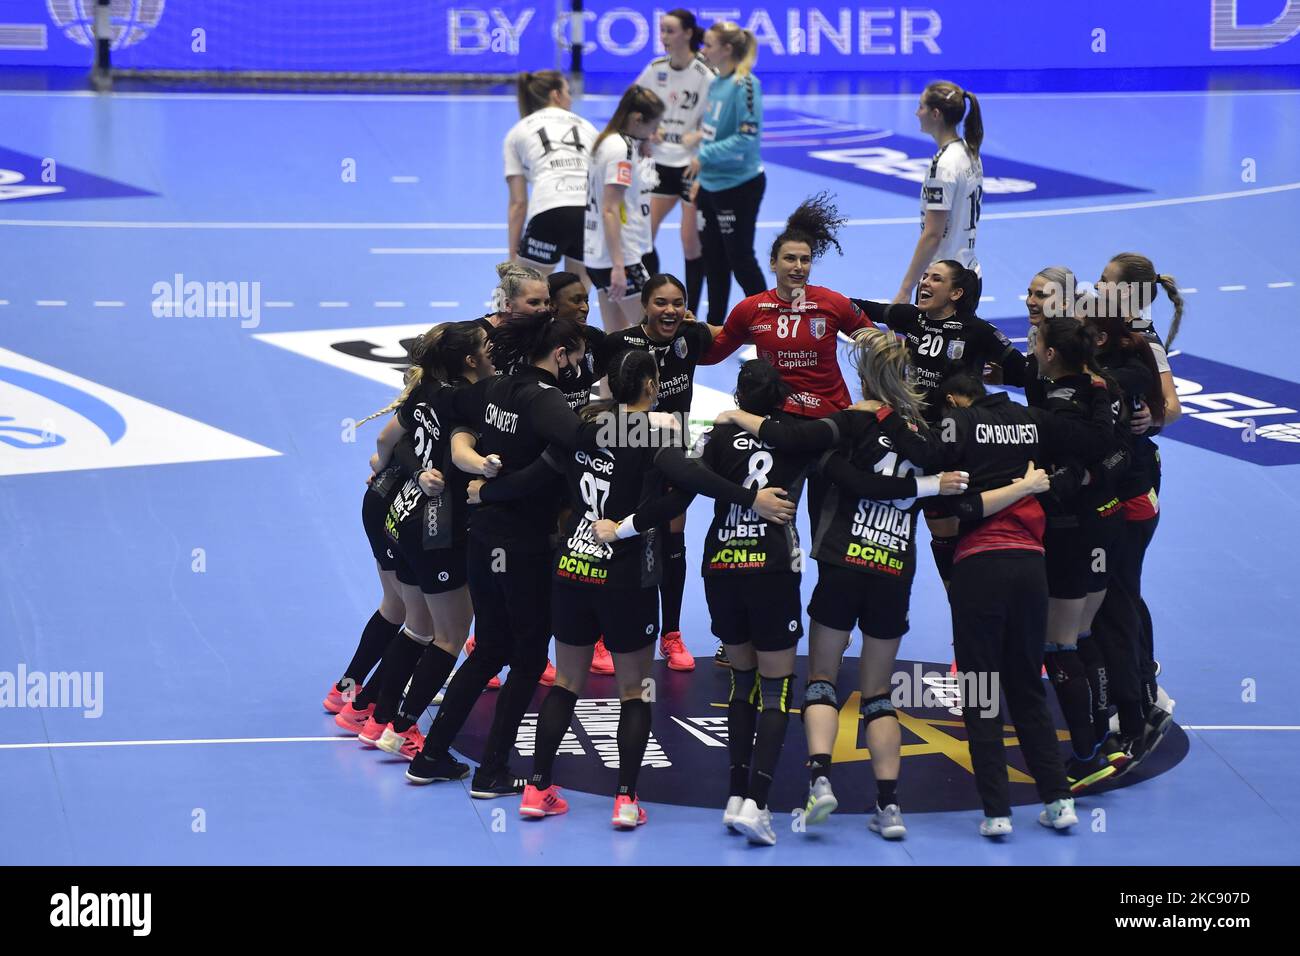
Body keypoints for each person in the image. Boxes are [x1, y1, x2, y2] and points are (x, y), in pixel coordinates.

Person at [480, 350, 794, 828]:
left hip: (573, 566)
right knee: (633, 690)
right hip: (626, 573)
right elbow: (691, 480)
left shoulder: (580, 429)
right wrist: (751, 497)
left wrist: (483, 492)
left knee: (567, 682)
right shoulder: (655, 433)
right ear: (649, 385)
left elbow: (530, 480)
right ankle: (626, 799)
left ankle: (538, 788)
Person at [716, 333, 969, 841]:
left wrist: (741, 417)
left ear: (865, 376)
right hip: (895, 568)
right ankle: (890, 807)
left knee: (822, 681)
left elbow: (793, 442)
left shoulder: (848, 422)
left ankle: (820, 779)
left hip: (842, 563)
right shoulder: (923, 435)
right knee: (878, 693)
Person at [404, 313, 650, 796]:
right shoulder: (544, 399)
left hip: (482, 540)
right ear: (559, 355)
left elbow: (441, 399)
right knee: (530, 657)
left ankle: (430, 755)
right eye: (576, 356)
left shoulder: (494, 389)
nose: (579, 365)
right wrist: (648, 426)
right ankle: (492, 769)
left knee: (489, 649)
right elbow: (582, 441)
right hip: (522, 545)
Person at [882, 371, 1115, 835]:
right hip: (1031, 567)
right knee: (1026, 684)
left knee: (980, 687)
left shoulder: (958, 424)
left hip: (979, 567)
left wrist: (885, 411)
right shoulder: (1034, 420)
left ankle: (997, 812)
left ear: (954, 400)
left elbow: (939, 477)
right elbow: (1094, 442)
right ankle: (1058, 801)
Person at [344, 322, 495, 759]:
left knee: (417, 625)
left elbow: (383, 442)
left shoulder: (424, 390)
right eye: (488, 348)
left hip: (402, 514)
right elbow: (462, 448)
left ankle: (376, 717)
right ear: (469, 360)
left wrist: (408, 470)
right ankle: (401, 728)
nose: (494, 353)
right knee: (450, 634)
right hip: (437, 527)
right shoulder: (465, 400)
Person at [854, 259, 1024, 590]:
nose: (925, 282)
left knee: (958, 525)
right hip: (912, 436)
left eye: (936, 278)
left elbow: (1026, 370)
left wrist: (1006, 375)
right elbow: (859, 308)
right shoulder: (911, 318)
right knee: (915, 525)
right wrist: (815, 298)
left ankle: (967, 599)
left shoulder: (978, 331)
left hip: (958, 441)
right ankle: (953, 601)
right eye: (925, 276)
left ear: (956, 292)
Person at [1025, 314, 1130, 791]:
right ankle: (1107, 739)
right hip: (1107, 521)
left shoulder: (1061, 406)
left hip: (1072, 530)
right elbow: (1117, 452)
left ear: (1050, 354)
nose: (1029, 346)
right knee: (1085, 633)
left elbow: (1093, 445)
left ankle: (1086, 755)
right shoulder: (1101, 389)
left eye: (1035, 341)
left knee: (1059, 643)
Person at [596, 274, 718, 671]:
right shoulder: (619, 343)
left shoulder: (694, 336)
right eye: (661, 303)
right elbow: (587, 386)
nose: (670, 311)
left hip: (671, 452)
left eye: (677, 302)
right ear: (644, 305)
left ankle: (672, 633)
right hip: (628, 449)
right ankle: (600, 635)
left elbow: (732, 334)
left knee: (672, 537)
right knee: (613, 531)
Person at [1083, 304, 1173, 775]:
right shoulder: (1106, 368)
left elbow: (1167, 408)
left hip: (1130, 501)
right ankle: (1138, 687)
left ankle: (1137, 706)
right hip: (1124, 499)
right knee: (1119, 599)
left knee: (1116, 604)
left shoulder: (1121, 375)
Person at [685, 20, 765, 325]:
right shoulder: (716, 82)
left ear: (727, 49)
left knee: (740, 259)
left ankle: (768, 324)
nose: (703, 50)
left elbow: (747, 138)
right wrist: (698, 145)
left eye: (709, 44)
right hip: (711, 185)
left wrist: (703, 155)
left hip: (739, 185)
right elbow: (715, 130)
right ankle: (714, 328)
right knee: (714, 260)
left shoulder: (745, 84)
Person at [635, 9, 715, 315]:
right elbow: (633, 103)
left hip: (690, 166)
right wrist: (647, 128)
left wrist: (698, 134)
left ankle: (688, 313)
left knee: (690, 242)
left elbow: (717, 120)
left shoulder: (705, 75)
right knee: (644, 236)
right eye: (662, 31)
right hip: (658, 163)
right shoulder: (655, 70)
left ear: (687, 33)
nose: (664, 37)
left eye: (669, 31)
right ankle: (652, 304)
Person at [895, 81, 984, 306]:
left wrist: (906, 289)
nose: (917, 113)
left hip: (943, 283)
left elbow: (933, 235)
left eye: (921, 107)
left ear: (935, 114)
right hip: (969, 273)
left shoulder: (944, 166)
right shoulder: (969, 151)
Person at [584, 85, 665, 332]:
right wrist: (619, 266)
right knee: (656, 333)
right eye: (653, 126)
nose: (655, 133)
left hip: (597, 257)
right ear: (638, 119)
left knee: (616, 341)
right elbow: (610, 208)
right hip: (620, 259)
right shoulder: (622, 150)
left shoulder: (607, 141)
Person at [504, 71, 598, 279]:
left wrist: (513, 257)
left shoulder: (517, 132)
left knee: (523, 296)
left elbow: (518, 203)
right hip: (590, 211)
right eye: (568, 92)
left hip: (551, 209)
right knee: (576, 299)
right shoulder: (587, 127)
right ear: (556, 95)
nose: (570, 98)